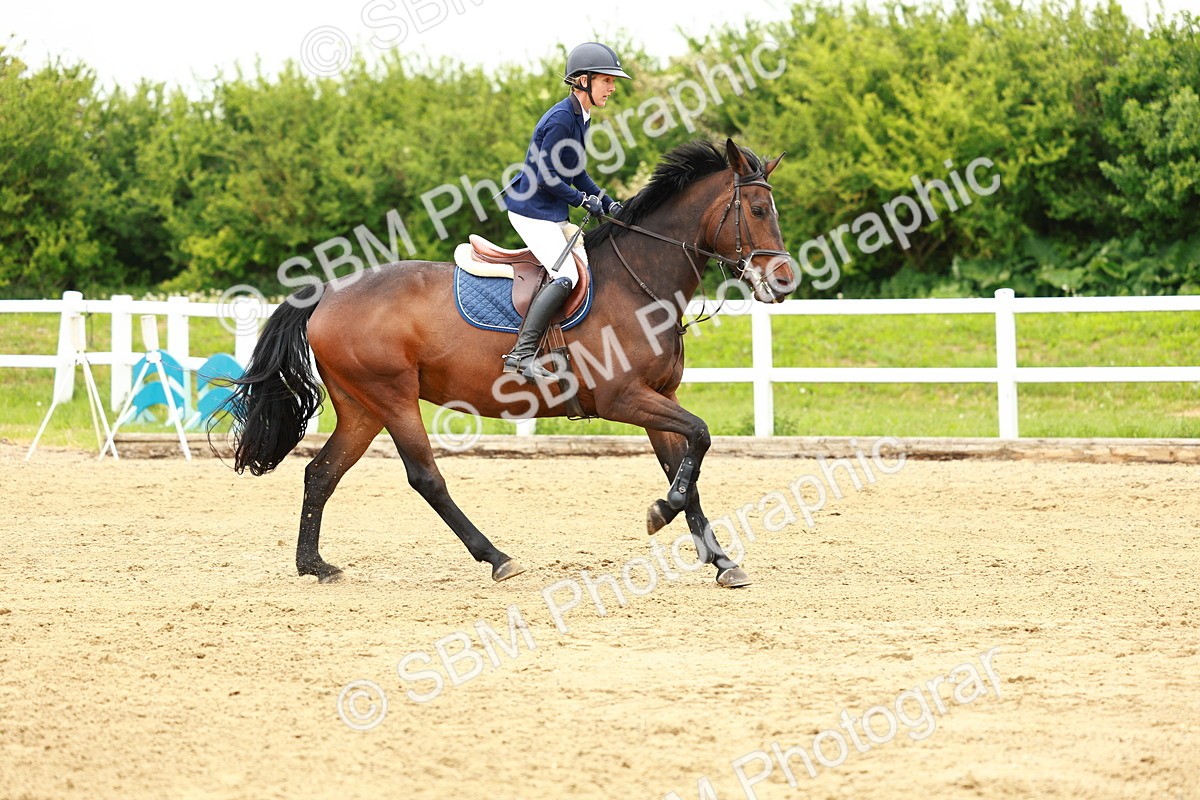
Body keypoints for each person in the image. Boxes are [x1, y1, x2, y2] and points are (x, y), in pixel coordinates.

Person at [500, 42, 631, 380]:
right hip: (531, 209)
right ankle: (521, 355)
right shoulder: (561, 118)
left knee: (587, 269)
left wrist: (602, 197)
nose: (613, 88)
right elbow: (547, 176)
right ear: (583, 80)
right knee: (567, 276)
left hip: (550, 209)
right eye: (607, 80)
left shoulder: (580, 116)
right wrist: (580, 200)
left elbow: (575, 172)